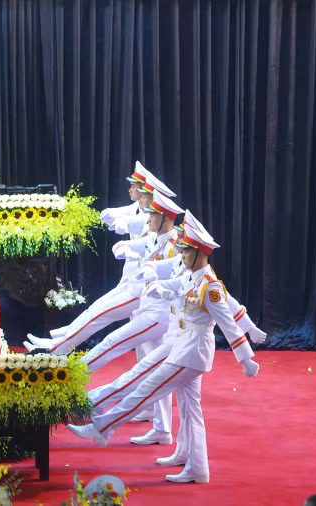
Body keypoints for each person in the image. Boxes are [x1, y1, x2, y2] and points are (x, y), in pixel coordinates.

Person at [66, 222, 261, 484]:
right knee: (191, 410)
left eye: (186, 251)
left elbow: (228, 324)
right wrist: (158, 286)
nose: (181, 254)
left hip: (192, 352)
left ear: (201, 253)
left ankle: (102, 427)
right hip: (179, 342)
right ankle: (195, 465)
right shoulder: (191, 275)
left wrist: (246, 358)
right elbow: (175, 283)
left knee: (146, 388)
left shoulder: (210, 287)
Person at [24, 174, 177, 355]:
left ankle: (56, 348)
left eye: (143, 195)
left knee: (99, 315)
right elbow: (124, 219)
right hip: (131, 283)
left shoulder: (161, 231)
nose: (139, 197)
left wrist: (132, 245)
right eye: (141, 193)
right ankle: (57, 340)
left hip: (142, 292)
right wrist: (112, 219)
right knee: (100, 315)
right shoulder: (147, 219)